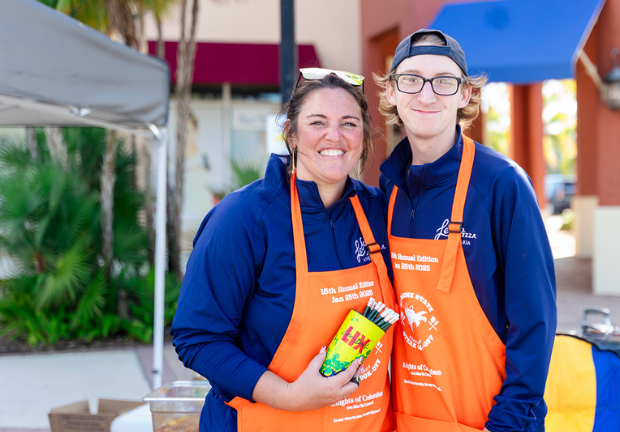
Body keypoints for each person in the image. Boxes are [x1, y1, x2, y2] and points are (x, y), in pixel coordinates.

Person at [171, 69, 395, 432]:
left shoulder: (379, 212)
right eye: (317, 121)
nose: (334, 136)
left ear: (363, 136)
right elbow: (197, 337)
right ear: (290, 133)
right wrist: (289, 395)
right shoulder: (243, 218)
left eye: (349, 123)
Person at [374, 29, 557, 432]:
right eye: (411, 79)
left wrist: (508, 422)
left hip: (489, 421)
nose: (426, 95)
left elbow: (535, 321)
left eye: (443, 82)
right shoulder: (386, 189)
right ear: (390, 92)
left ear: (465, 95)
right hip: (407, 419)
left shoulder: (501, 184)